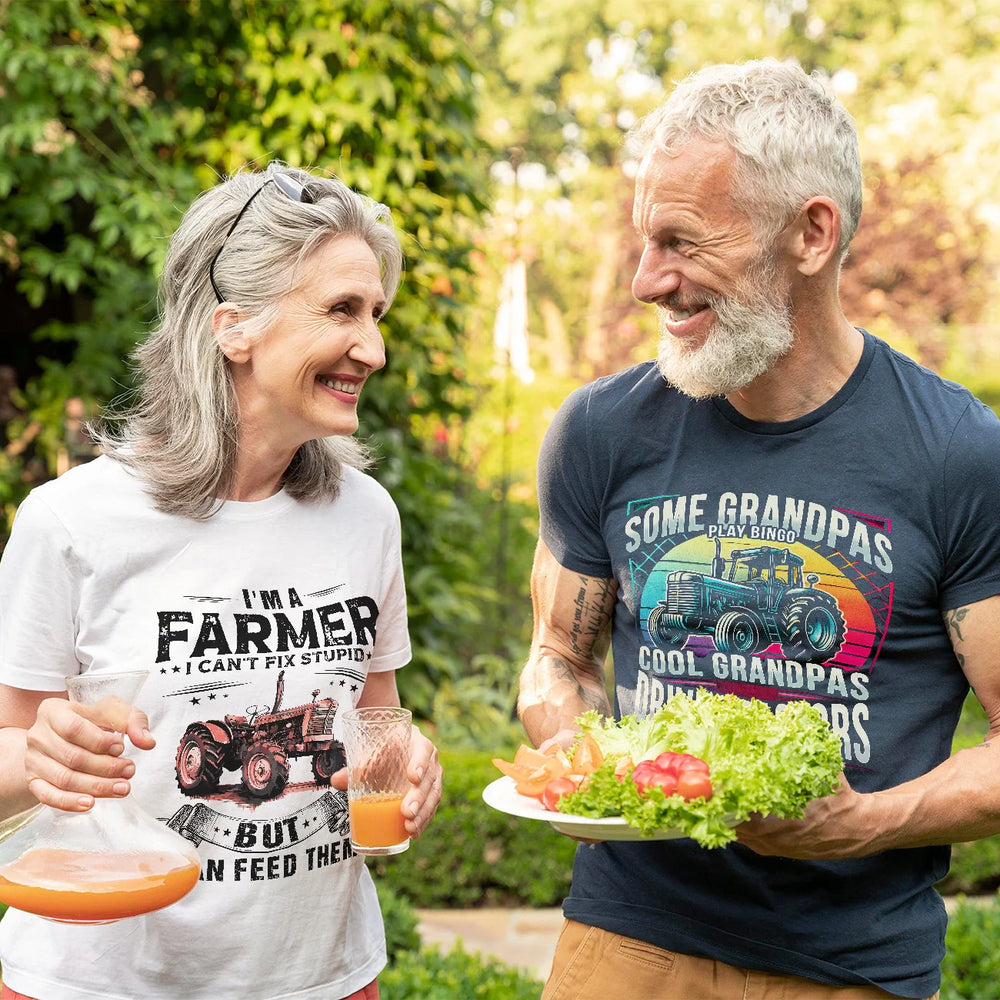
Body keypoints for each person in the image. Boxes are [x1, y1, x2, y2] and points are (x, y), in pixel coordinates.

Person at [518, 58, 1000, 1000]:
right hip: (628, 941)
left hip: (852, 966)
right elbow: (557, 658)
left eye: (682, 242)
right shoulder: (601, 430)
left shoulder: (957, 454)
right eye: (643, 242)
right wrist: (571, 748)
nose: (647, 281)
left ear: (811, 233)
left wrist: (862, 822)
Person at [0, 163, 443, 1000]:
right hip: (99, 982)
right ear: (233, 327)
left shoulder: (366, 516)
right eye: (342, 310)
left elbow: (377, 716)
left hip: (321, 978)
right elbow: (7, 766)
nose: (374, 348)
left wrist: (411, 766)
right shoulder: (70, 521)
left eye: (376, 313)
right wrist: (41, 761)